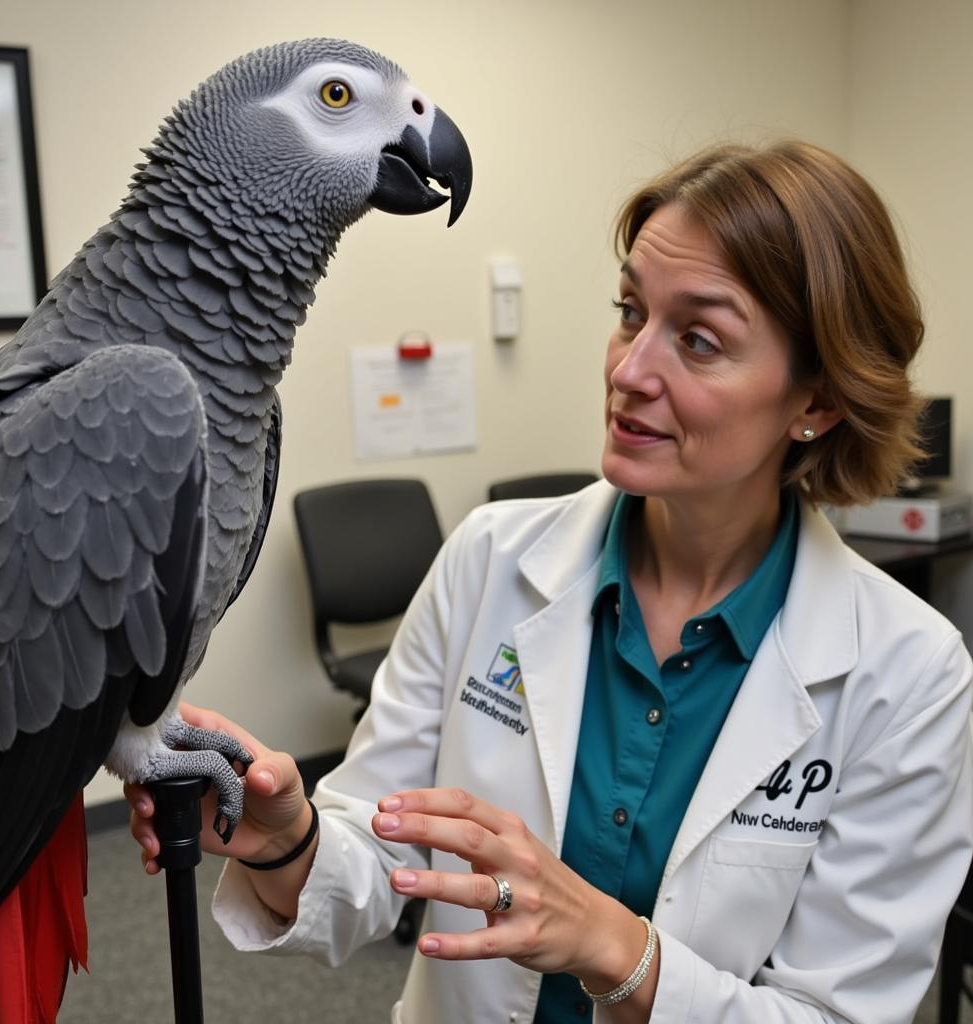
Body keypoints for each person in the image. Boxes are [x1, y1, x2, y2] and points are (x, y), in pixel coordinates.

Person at [128, 139, 973, 1023]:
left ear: (818, 403)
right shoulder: (490, 559)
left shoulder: (908, 673)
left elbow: (837, 1015)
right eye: (630, 312)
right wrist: (288, 843)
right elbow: (383, 859)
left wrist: (618, 951)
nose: (630, 370)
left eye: (698, 339)